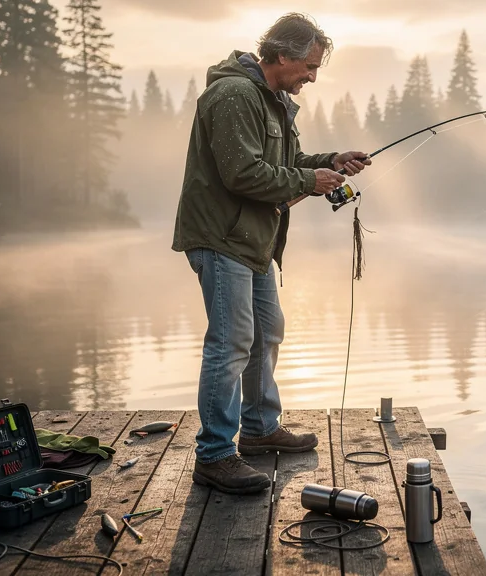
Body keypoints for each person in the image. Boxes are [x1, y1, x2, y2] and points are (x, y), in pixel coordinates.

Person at [172, 13, 371, 494]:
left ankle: (259, 430)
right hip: (223, 239)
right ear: (282, 56)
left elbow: (283, 164)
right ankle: (215, 455)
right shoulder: (234, 95)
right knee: (231, 342)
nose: (312, 76)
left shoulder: (273, 99)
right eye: (308, 66)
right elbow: (242, 174)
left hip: (252, 241)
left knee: (267, 332)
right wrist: (309, 181)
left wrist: (328, 162)